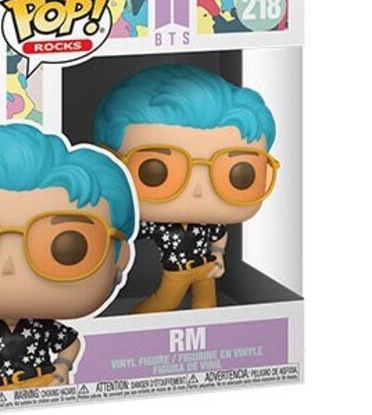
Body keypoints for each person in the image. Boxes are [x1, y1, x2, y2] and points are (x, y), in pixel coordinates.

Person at [94, 64, 279, 313]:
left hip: (207, 267)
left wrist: (218, 256)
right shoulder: (158, 225)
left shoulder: (208, 224)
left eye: (239, 175)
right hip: (176, 272)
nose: (199, 191)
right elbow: (125, 235)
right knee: (164, 302)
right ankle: (135, 325)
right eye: (155, 172)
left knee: (206, 305)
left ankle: (208, 329)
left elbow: (218, 236)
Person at [0, 123, 136, 390]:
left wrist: (62, 367)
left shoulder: (42, 327)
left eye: (67, 248)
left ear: (120, 258)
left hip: (41, 384)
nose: (9, 267)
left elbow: (70, 343)